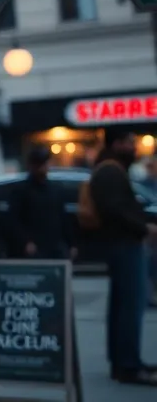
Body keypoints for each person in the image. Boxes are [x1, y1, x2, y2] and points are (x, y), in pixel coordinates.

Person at [85, 131, 157, 386]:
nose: (134, 147)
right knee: (130, 305)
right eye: (129, 143)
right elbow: (117, 210)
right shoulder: (110, 172)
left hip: (121, 244)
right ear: (117, 145)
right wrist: (143, 228)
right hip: (124, 245)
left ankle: (125, 361)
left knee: (123, 306)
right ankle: (128, 365)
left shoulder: (110, 169)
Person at [9, 146, 72, 260]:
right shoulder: (21, 190)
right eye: (40, 164)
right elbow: (13, 220)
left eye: (46, 163)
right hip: (34, 247)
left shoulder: (55, 189)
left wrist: (70, 243)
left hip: (54, 245)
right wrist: (25, 242)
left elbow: (63, 217)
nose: (44, 167)